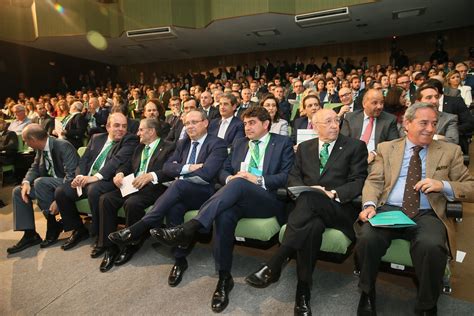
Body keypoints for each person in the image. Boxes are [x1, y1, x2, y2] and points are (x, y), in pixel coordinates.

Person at [151, 106, 294, 313]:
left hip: (267, 199)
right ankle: (224, 278)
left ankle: (191, 227)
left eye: (252, 123)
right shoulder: (239, 142)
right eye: (245, 123)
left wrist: (257, 179)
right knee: (224, 213)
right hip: (237, 198)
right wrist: (229, 178)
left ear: (266, 124)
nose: (247, 127)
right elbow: (223, 170)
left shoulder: (282, 143)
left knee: (239, 183)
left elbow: (287, 176)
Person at [355, 102, 474, 316]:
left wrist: (443, 185)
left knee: (431, 246)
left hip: (427, 212)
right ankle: (367, 292)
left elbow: (471, 187)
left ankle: (427, 304)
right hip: (390, 209)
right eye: (424, 123)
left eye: (434, 123)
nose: (430, 128)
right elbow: (374, 181)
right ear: (407, 123)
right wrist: (370, 205)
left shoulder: (450, 151)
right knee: (367, 238)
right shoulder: (387, 148)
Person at [245, 109, 368, 315]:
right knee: (311, 226)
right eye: (328, 121)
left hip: (338, 209)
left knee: (313, 196)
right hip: (308, 213)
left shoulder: (354, 146)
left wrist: (332, 193)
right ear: (315, 125)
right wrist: (309, 191)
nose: (334, 125)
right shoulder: (304, 148)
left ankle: (276, 262)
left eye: (336, 120)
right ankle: (302, 292)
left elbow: (358, 181)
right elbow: (293, 178)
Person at [108, 109, 228, 282]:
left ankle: (140, 227)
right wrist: (187, 168)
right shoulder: (183, 144)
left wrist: (180, 170)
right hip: (181, 192)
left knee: (178, 184)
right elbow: (167, 168)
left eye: (194, 122)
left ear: (205, 123)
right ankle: (179, 260)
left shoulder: (217, 143)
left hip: (205, 192)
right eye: (186, 123)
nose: (189, 126)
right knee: (174, 206)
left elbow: (207, 173)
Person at [97, 118, 175, 272]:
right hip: (132, 185)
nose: (137, 133)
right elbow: (128, 165)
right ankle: (109, 247)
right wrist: (119, 173)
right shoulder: (139, 147)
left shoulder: (169, 147)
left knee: (132, 203)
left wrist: (151, 175)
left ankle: (130, 244)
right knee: (106, 199)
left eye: (141, 130)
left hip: (154, 188)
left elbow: (170, 171)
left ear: (151, 131)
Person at [54, 113, 139, 254]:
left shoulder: (129, 140)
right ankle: (78, 229)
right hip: (87, 179)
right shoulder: (96, 138)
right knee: (61, 191)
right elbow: (84, 159)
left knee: (94, 189)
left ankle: (100, 234)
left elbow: (116, 161)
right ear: (107, 126)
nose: (121, 129)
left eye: (124, 126)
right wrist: (80, 176)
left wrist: (96, 177)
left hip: (108, 180)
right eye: (117, 125)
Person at [7, 124, 79, 254]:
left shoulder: (62, 145)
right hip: (47, 186)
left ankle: (53, 224)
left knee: (40, 182)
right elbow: (34, 167)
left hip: (66, 185)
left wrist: (59, 198)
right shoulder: (41, 149)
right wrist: (26, 182)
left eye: (25, 140)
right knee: (19, 191)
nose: (25, 143)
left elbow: (72, 176)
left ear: (33, 140)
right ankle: (30, 235)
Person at [341, 89, 400, 163]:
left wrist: (374, 153)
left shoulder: (390, 120)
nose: (379, 107)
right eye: (375, 103)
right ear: (364, 104)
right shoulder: (350, 118)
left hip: (376, 160)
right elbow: (342, 142)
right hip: (352, 159)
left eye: (381, 103)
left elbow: (393, 144)